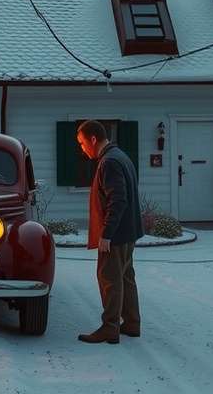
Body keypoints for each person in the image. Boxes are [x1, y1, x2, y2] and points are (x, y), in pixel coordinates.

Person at [76, 119, 143, 344]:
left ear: (93, 139)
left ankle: (110, 328)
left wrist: (106, 233)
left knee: (109, 279)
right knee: (125, 277)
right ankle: (131, 323)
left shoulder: (109, 162)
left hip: (116, 235)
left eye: (82, 143)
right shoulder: (120, 156)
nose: (82, 148)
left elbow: (118, 200)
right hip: (128, 232)